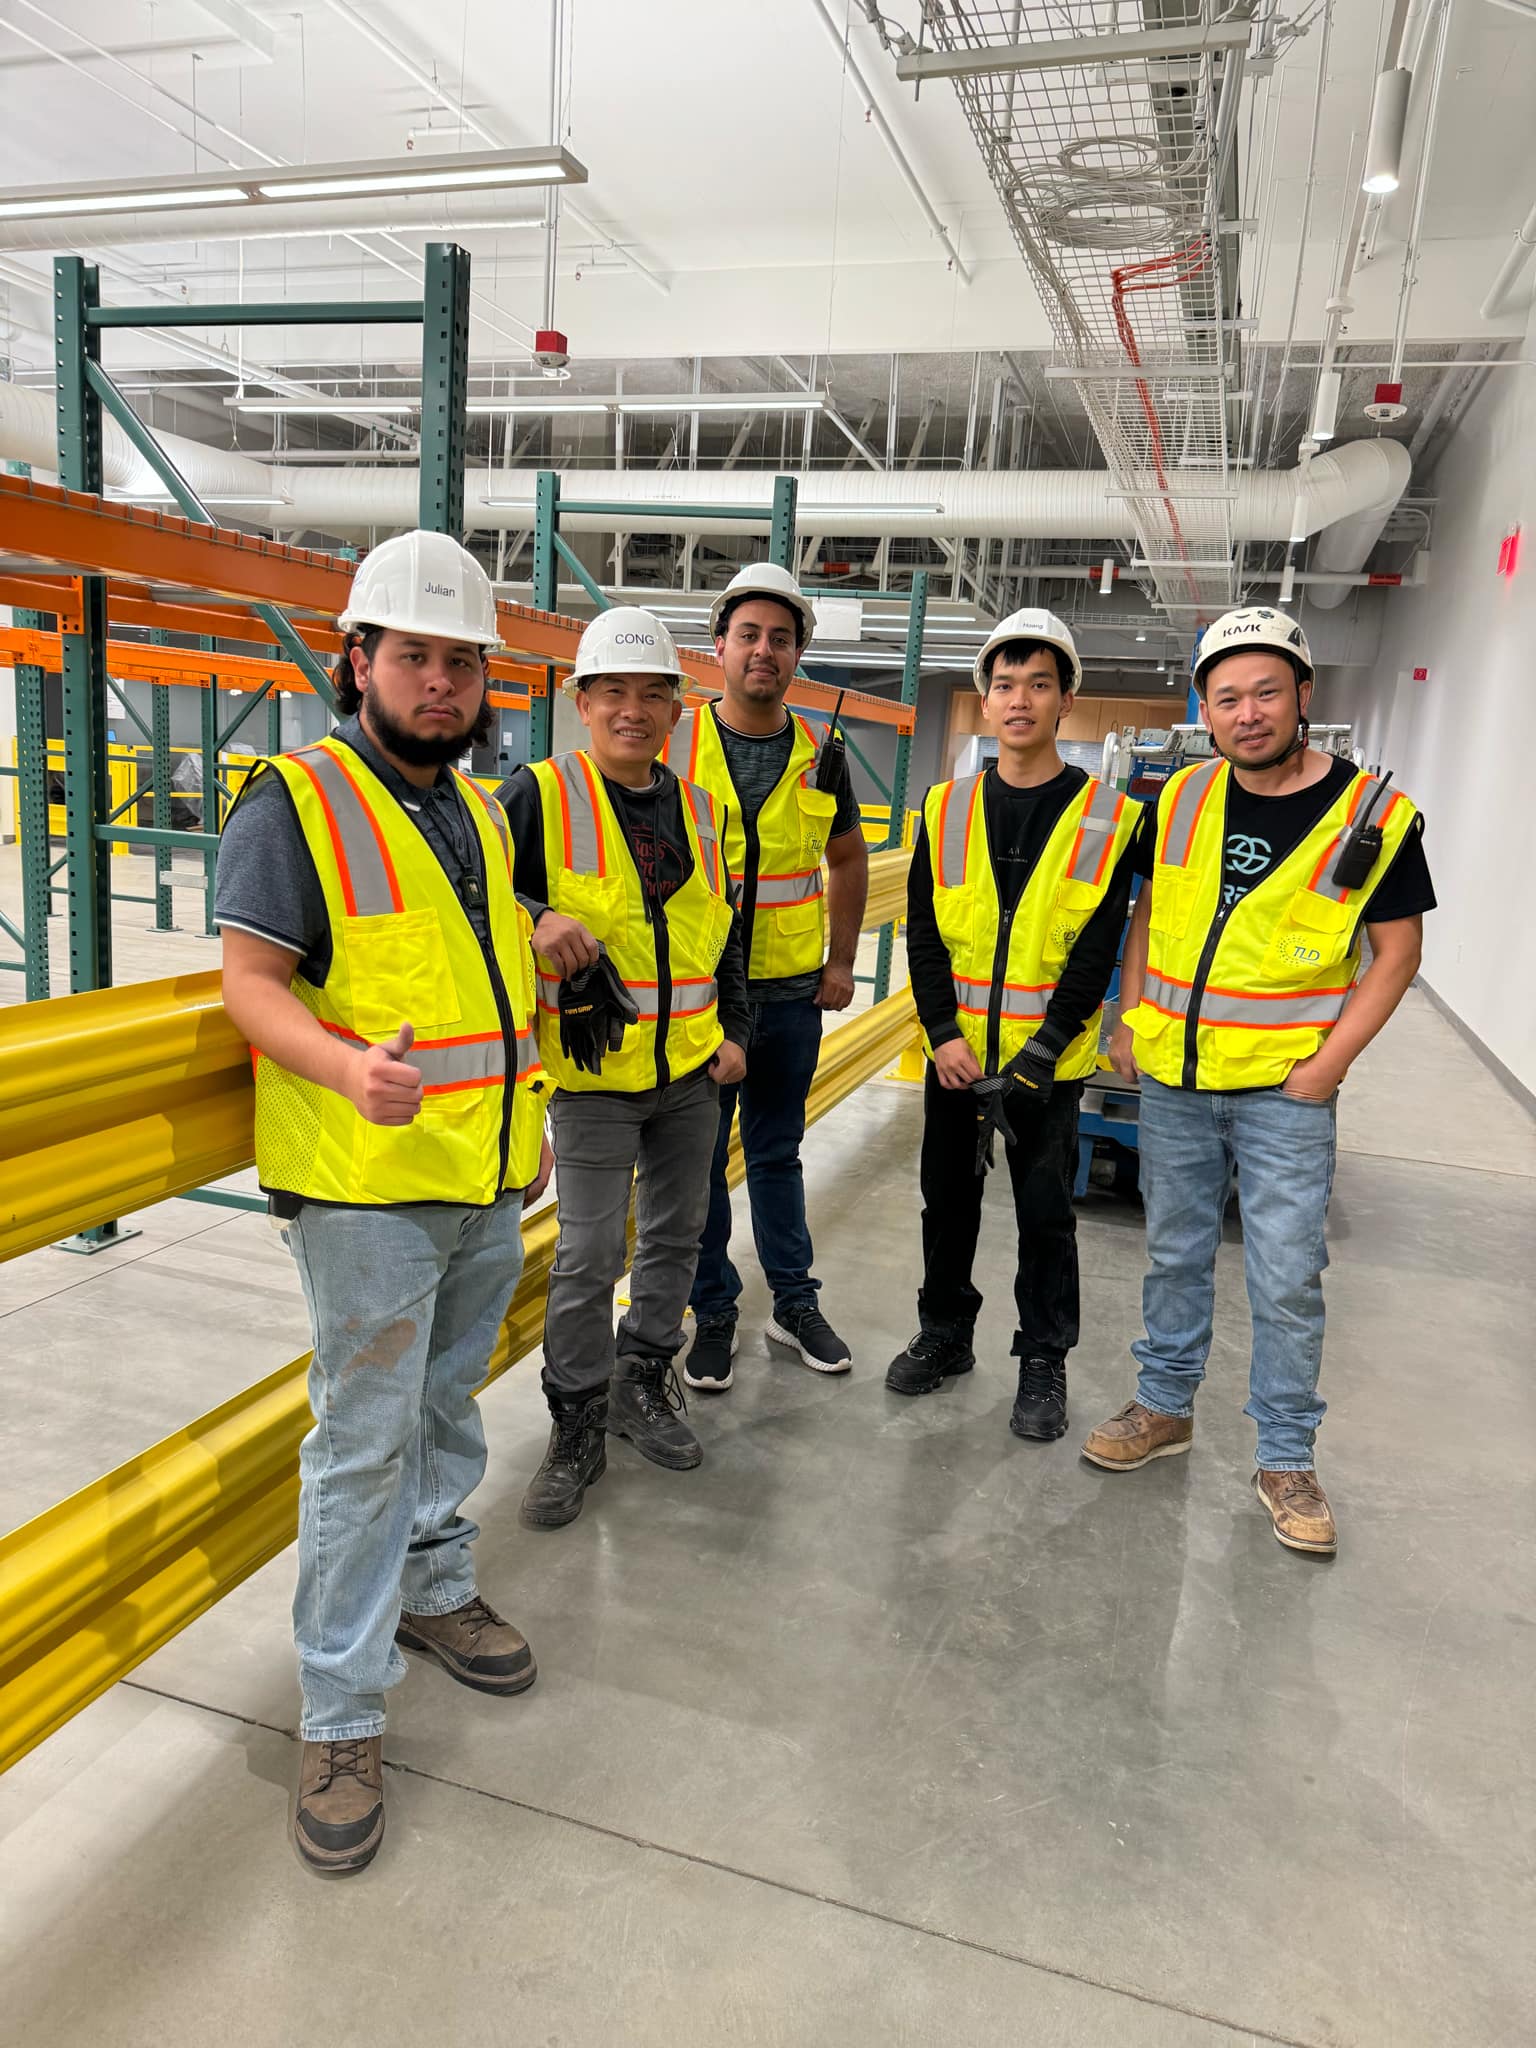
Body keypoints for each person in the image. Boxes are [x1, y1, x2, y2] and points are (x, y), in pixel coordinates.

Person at [216, 531, 552, 1876]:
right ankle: (341, 1715)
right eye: (414, 654)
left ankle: (433, 1587)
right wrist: (349, 1068)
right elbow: (250, 987)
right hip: (364, 1189)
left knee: (444, 1404)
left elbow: (487, 984)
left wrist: (522, 1127)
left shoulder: (480, 809)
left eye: (462, 661)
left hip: (479, 1173)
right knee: (362, 1444)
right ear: (357, 660)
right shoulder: (294, 801)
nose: (441, 681)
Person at [1083, 606, 1435, 1555]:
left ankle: (1285, 1459)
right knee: (1174, 1254)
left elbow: (1398, 955)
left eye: (1266, 692)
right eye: (1227, 697)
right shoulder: (1183, 796)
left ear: (1303, 696)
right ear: (1204, 708)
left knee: (1286, 1278)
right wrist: (1130, 1013)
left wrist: (1327, 1067)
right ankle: (1164, 1407)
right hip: (1177, 1077)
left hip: (1286, 1091)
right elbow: (1148, 911)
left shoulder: (1374, 817)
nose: (1247, 713)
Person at [497, 608, 749, 1529]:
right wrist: (536, 918)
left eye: (651, 694)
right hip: (591, 1079)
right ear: (582, 701)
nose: (632, 710)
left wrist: (736, 1030)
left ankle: (644, 1380)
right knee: (590, 1254)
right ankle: (576, 1421)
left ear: (677, 710)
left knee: (677, 1239)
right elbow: (470, 897)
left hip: (690, 1074)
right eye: (613, 692)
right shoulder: (537, 794)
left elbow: (727, 933)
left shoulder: (705, 812)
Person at [887, 608, 1143, 1438]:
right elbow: (924, 932)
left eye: (1039, 684)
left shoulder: (1108, 815)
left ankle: (1043, 1357)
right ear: (986, 699)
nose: (1020, 699)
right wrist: (942, 1034)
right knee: (945, 1203)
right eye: (1005, 685)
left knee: (1046, 1216)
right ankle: (944, 1333)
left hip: (1050, 1065)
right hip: (956, 1056)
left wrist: (1044, 1046)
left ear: (1067, 698)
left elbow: (1097, 948)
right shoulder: (945, 806)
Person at [669, 562, 869, 1392]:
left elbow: (847, 857)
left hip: (789, 994)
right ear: (718, 646)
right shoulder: (674, 742)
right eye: (748, 634)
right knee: (700, 1162)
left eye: (780, 639)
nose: (763, 650)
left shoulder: (823, 754)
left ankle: (794, 1303)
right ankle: (713, 1308)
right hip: (697, 997)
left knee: (778, 1152)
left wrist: (842, 961)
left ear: (797, 656)